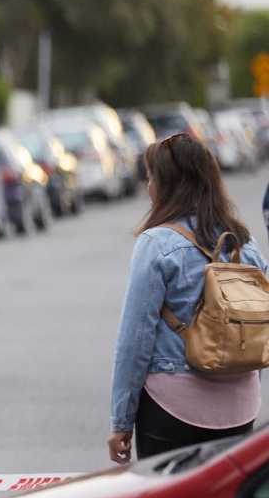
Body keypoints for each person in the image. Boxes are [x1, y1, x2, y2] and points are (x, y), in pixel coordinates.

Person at [109, 132, 266, 464]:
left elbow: (134, 340)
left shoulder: (157, 243)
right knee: (223, 496)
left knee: (168, 497)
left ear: (168, 185)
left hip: (173, 404)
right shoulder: (245, 243)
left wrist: (122, 420)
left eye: (151, 178)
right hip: (240, 406)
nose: (148, 187)